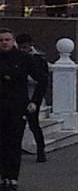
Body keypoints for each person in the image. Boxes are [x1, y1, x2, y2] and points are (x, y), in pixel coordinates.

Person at [15, 33, 48, 162]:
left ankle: (41, 149)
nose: (23, 49)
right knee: (17, 125)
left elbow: (43, 79)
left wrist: (36, 99)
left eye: (25, 47)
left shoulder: (38, 58)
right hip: (18, 95)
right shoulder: (16, 57)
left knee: (34, 124)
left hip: (33, 95)